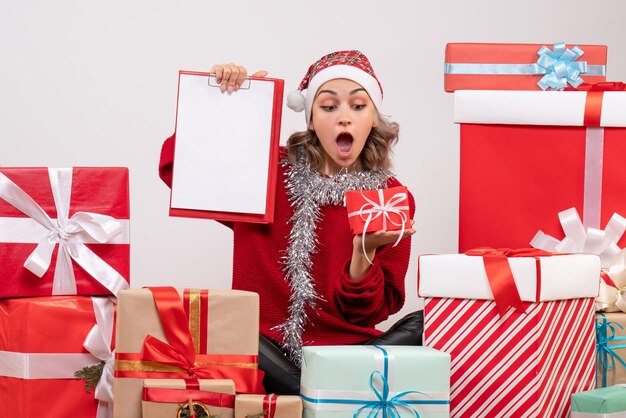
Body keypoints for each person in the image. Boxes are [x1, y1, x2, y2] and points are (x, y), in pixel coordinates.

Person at [159, 50, 423, 394]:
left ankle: (315, 389)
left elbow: (368, 314)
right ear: (311, 118)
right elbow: (180, 169)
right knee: (233, 333)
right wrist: (228, 105)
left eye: (358, 106)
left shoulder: (390, 196)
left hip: (348, 354)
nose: (344, 118)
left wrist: (364, 253)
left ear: (373, 117)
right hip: (266, 349)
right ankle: (324, 392)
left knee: (432, 324)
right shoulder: (267, 172)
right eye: (329, 107)